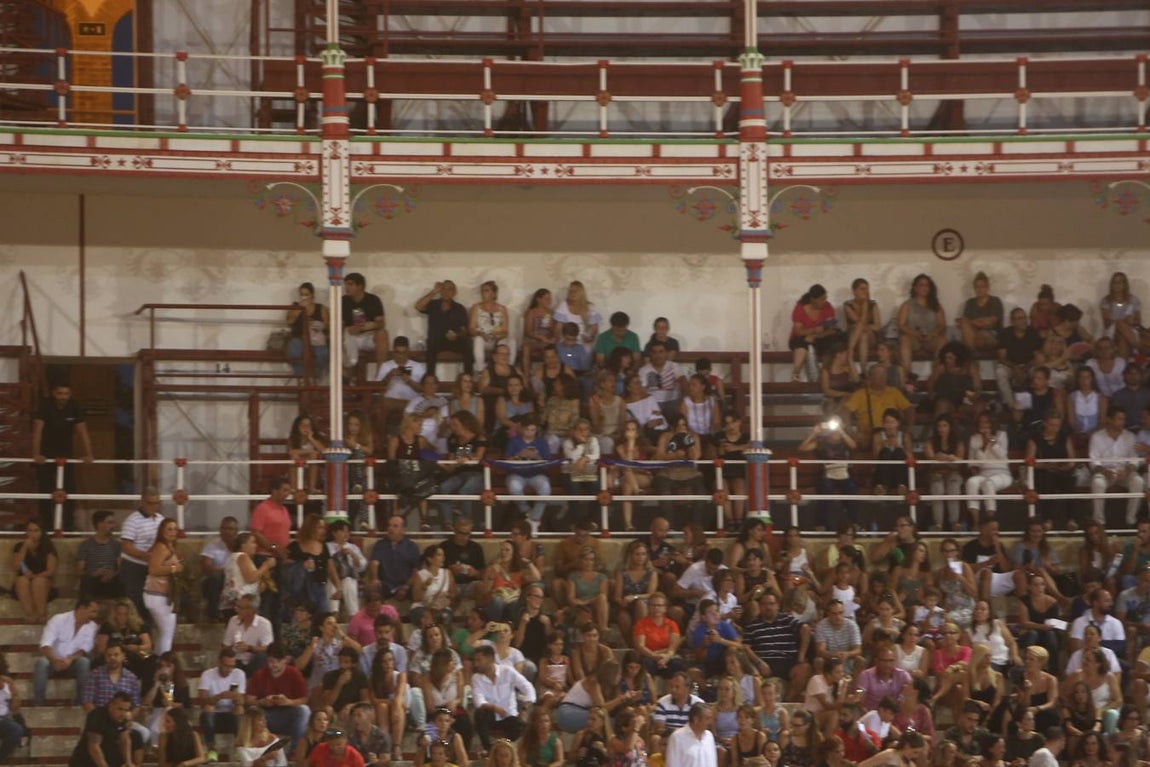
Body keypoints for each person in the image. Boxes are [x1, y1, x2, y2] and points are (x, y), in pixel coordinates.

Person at [32, 380, 94, 531]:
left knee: (69, 489)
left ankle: (68, 525)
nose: (63, 397)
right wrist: (36, 454)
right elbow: (37, 430)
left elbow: (82, 432)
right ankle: (46, 526)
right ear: (53, 393)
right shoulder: (45, 405)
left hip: (66, 453)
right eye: (60, 393)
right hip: (46, 454)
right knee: (46, 490)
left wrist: (89, 454)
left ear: (70, 394)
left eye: (66, 393)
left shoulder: (75, 407)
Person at [34, 596, 99, 706]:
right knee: (41, 663)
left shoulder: (93, 627)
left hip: (73, 662)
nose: (95, 615)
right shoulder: (58, 619)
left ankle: (80, 704)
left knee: (84, 662)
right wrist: (54, 661)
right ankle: (39, 705)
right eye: (92, 611)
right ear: (82, 608)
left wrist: (69, 659)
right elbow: (45, 644)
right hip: (52, 661)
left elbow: (84, 650)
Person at [245, 642, 310, 749]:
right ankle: (256, 748)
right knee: (253, 711)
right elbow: (248, 700)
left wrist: (288, 702)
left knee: (304, 710)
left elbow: (304, 699)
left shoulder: (294, 673)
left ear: (285, 660)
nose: (274, 665)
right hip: (266, 715)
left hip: (287, 716)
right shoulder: (259, 674)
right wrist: (262, 702)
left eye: (278, 661)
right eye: (271, 661)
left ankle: (295, 749)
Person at [472, 644, 537, 749]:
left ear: (490, 659)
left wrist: (524, 709)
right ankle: (488, 750)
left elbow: (528, 688)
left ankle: (508, 749)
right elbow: (478, 701)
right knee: (479, 714)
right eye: (475, 660)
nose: (476, 664)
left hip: (509, 717)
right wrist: (495, 708)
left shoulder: (507, 671)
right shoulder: (476, 678)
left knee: (520, 724)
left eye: (479, 660)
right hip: (490, 717)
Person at [1090, 406, 1145, 525]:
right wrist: (1105, 472)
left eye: (1124, 419)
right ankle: (1099, 522)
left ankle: (1131, 520)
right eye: (1119, 419)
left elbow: (1134, 459)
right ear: (1109, 420)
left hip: (1124, 472)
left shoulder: (1130, 436)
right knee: (1097, 483)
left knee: (1138, 481)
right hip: (1104, 472)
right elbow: (1093, 462)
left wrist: (1127, 471)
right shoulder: (1097, 437)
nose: (1122, 422)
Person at [250, 477, 293, 621]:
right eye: (284, 490)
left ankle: (275, 637)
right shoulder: (262, 508)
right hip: (265, 558)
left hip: (280, 559)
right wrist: (274, 547)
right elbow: (256, 532)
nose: (287, 494)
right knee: (267, 599)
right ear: (274, 491)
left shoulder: (284, 510)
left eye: (289, 491)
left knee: (278, 600)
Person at [118, 489, 164, 623]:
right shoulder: (132, 521)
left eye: (157, 503)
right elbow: (126, 547)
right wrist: (145, 555)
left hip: (153, 567)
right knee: (136, 600)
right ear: (143, 502)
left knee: (153, 600)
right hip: (134, 567)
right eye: (150, 503)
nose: (154, 506)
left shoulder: (161, 519)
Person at [964, 412, 1012, 530]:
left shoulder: (1001, 435)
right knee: (971, 482)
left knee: (988, 483)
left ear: (991, 423)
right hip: (983, 472)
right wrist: (973, 467)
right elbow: (971, 460)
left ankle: (991, 522)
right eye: (980, 422)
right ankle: (976, 523)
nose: (983, 424)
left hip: (1002, 473)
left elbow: (1002, 455)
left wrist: (991, 441)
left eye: (986, 422)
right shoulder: (974, 439)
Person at [198, 647, 246, 762]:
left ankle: (239, 750)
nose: (229, 669)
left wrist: (236, 698)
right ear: (219, 662)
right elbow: (202, 700)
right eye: (226, 666)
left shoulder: (239, 674)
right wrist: (219, 697)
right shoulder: (208, 674)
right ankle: (212, 750)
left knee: (239, 708)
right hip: (213, 715)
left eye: (232, 666)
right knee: (208, 708)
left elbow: (242, 701)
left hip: (231, 714)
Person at [144, 517, 184, 656]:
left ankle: (156, 661)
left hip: (164, 595)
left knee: (164, 633)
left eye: (175, 529)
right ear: (162, 531)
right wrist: (174, 568)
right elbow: (153, 569)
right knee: (167, 632)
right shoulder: (160, 546)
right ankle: (163, 662)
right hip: (157, 596)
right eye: (169, 529)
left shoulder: (169, 547)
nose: (173, 532)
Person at [416, 280, 473, 376]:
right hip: (436, 340)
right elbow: (418, 306)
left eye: (450, 289)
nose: (446, 292)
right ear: (440, 291)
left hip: (454, 340)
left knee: (468, 344)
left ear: (454, 293)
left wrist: (457, 335)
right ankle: (430, 380)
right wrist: (434, 291)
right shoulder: (433, 304)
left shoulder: (460, 308)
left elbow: (464, 330)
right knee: (430, 344)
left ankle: (468, 378)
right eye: (444, 289)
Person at [70, 691, 138, 767]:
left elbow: (125, 739)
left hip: (109, 757)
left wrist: (128, 761)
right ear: (111, 705)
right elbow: (94, 747)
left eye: (126, 710)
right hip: (86, 761)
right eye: (120, 709)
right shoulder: (97, 716)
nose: (123, 713)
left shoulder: (123, 717)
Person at [341, 271, 388, 380]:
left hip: (368, 336)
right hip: (350, 336)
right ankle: (346, 377)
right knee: (338, 336)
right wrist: (349, 329)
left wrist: (365, 327)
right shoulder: (343, 301)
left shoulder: (373, 300)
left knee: (383, 334)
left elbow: (381, 323)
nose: (347, 287)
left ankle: (380, 376)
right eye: (346, 284)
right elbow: (340, 324)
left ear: (360, 286)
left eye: (350, 284)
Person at [896, 274, 947, 374]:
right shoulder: (907, 305)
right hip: (913, 338)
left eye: (927, 285)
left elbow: (942, 324)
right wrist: (915, 334)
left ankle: (936, 374)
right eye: (921, 285)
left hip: (930, 338)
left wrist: (933, 334)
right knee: (904, 339)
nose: (925, 288)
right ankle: (908, 374)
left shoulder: (936, 305)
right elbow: (901, 325)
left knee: (943, 341)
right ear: (915, 288)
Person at [374, 336, 428, 430]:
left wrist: (409, 381)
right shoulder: (386, 365)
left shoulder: (417, 366)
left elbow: (424, 389)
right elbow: (377, 388)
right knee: (382, 404)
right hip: (391, 401)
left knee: (417, 405)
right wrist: (389, 376)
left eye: (404, 353)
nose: (401, 356)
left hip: (411, 401)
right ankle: (381, 438)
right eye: (398, 353)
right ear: (393, 351)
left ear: (408, 351)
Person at [843, 364, 913, 435]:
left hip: (889, 435)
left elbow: (909, 409)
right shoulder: (860, 394)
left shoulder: (894, 392)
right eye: (878, 374)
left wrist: (908, 428)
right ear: (870, 377)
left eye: (884, 374)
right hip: (867, 436)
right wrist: (850, 431)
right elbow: (845, 411)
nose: (882, 377)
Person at [11, 519, 57, 622]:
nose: (32, 534)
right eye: (30, 531)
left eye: (36, 531)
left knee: (38, 582)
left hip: (44, 582)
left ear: (41, 532)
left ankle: (42, 615)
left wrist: (35, 577)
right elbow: (16, 566)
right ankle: (31, 615)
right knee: (22, 581)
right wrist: (24, 547)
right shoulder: (19, 546)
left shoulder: (48, 547)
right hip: (24, 582)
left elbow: (51, 571)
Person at [368, 514, 420, 600]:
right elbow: (374, 563)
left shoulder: (412, 547)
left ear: (403, 530)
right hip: (385, 585)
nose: (390, 528)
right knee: (373, 589)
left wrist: (405, 587)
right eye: (389, 525)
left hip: (405, 585)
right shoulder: (380, 544)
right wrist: (374, 578)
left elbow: (416, 571)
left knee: (417, 590)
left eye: (395, 526)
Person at [285, 281, 330, 379]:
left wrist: (318, 325)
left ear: (312, 295)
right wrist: (299, 310)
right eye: (301, 294)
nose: (304, 297)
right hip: (299, 338)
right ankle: (302, 377)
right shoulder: (295, 307)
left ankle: (316, 378)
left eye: (306, 294)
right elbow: (289, 322)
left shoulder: (320, 308)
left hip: (316, 340)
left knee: (322, 354)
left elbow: (327, 325)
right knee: (294, 352)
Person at [77, 510, 122, 602]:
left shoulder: (116, 544)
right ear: (100, 524)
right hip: (93, 579)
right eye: (110, 523)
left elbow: (121, 567)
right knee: (86, 581)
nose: (113, 526)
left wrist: (112, 574)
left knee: (121, 580)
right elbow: (79, 570)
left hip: (111, 579)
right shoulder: (86, 545)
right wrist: (94, 574)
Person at [224, 594, 275, 674]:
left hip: (254, 661)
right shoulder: (233, 620)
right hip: (236, 660)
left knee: (262, 657)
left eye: (240, 608)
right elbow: (226, 645)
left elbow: (268, 648)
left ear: (252, 610)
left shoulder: (264, 624)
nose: (237, 610)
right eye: (237, 607)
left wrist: (249, 648)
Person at [199, 516, 239, 621]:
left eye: (230, 529)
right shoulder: (212, 545)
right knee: (215, 578)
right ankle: (213, 614)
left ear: (236, 531)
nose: (226, 532)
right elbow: (206, 568)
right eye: (223, 528)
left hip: (236, 579)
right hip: (218, 579)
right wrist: (226, 572)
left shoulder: (241, 545)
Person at [638, 341, 687, 422]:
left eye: (661, 352)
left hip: (673, 402)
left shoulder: (674, 366)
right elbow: (642, 392)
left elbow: (684, 384)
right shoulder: (644, 370)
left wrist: (683, 402)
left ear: (666, 353)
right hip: (653, 403)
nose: (658, 355)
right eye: (654, 352)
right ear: (650, 354)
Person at [1101, 271, 1143, 358]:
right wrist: (1122, 321)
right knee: (1119, 323)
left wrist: (1131, 321)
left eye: (1120, 282)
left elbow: (1138, 322)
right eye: (1115, 282)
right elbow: (1107, 323)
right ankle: (1139, 348)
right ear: (1111, 284)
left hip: (1130, 331)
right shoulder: (1106, 301)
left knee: (1123, 338)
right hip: (1112, 331)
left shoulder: (1133, 300)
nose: (1117, 285)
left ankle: (1123, 365)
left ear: (1125, 284)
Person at [844, 278, 881, 371]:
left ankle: (850, 351)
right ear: (854, 291)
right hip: (854, 338)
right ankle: (864, 371)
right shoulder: (847, 305)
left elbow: (877, 327)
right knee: (862, 334)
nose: (866, 291)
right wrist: (865, 326)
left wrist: (865, 304)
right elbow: (858, 320)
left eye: (867, 289)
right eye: (862, 289)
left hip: (871, 337)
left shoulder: (872, 304)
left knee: (862, 331)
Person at [553, 281, 602, 352]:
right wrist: (563, 339)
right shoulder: (563, 306)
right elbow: (558, 328)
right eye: (571, 291)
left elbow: (595, 329)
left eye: (576, 291)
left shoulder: (590, 307)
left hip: (584, 344)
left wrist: (591, 338)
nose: (573, 293)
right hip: (567, 343)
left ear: (582, 293)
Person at [665, 703, 717, 767]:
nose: (711, 722)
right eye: (707, 718)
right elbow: (672, 764)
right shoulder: (677, 737)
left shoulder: (709, 736)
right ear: (696, 719)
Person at [522, 288, 556, 377]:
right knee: (526, 347)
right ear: (538, 299)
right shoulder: (531, 312)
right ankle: (526, 375)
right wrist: (540, 337)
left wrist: (552, 337)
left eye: (550, 299)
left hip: (547, 340)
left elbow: (553, 331)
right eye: (546, 298)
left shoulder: (551, 312)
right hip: (534, 339)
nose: (549, 301)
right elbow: (527, 332)